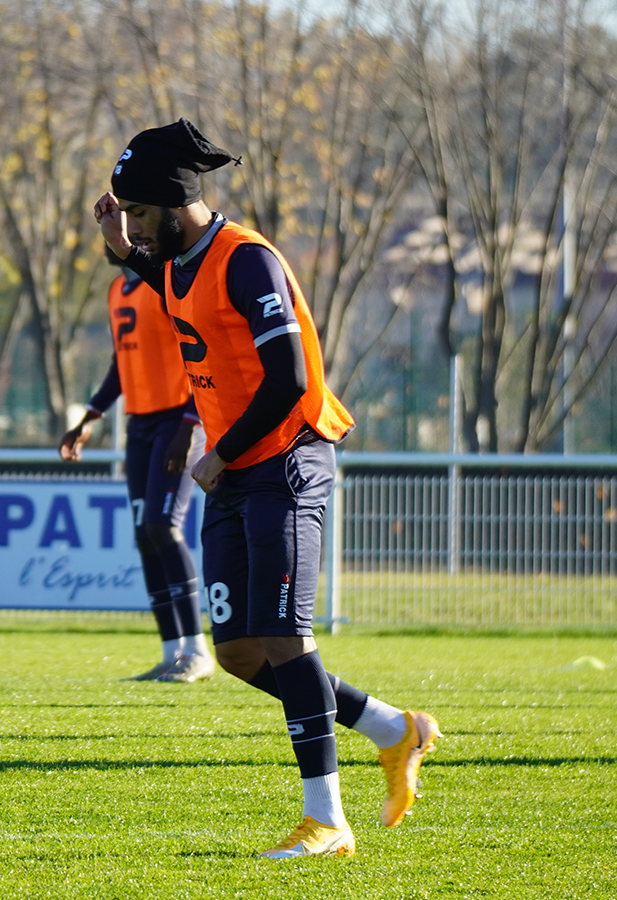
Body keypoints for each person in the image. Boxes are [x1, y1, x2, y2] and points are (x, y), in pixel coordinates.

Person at [94, 118, 440, 859]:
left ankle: (327, 821)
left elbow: (287, 379)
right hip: (237, 473)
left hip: (285, 459)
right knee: (241, 654)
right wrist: (122, 250)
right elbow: (171, 285)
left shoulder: (247, 261)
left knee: (286, 638)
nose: (135, 227)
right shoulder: (179, 262)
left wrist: (222, 452)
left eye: (140, 214)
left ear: (173, 203)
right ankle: (393, 729)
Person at [59, 251, 213, 683]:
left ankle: (197, 651)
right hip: (140, 426)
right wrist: (90, 416)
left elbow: (202, 354)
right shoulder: (116, 290)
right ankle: (170, 654)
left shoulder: (163, 284)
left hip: (175, 421)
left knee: (164, 526)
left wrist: (189, 425)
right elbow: (121, 365)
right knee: (146, 535)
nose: (110, 237)